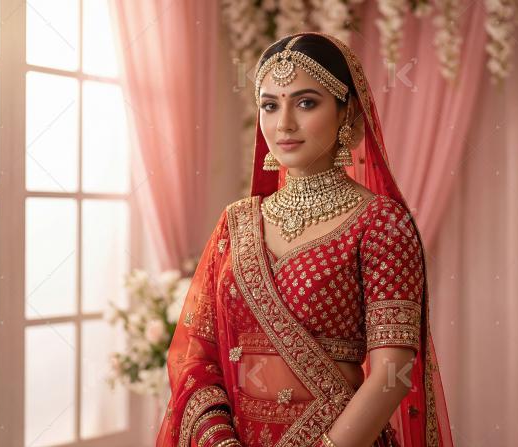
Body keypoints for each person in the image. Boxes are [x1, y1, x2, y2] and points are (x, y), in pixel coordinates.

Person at [156, 31, 453, 447]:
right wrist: (218, 441)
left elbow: (393, 374)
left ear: (346, 111)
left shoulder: (382, 223)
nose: (284, 124)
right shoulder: (236, 223)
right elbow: (197, 359)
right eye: (270, 105)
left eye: (306, 102)